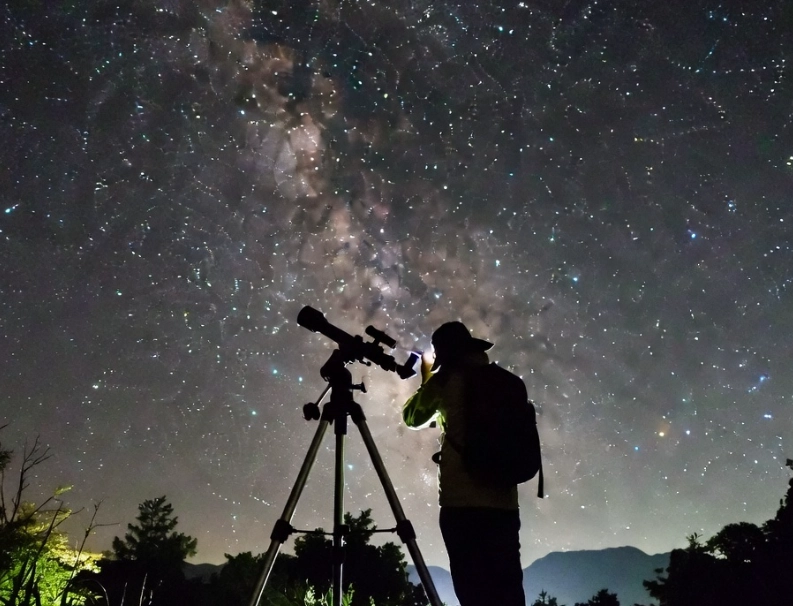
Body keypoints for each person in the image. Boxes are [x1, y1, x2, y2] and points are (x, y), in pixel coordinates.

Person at [403, 322, 525, 606]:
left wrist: (426, 379)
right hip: (504, 504)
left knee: (473, 592)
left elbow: (412, 417)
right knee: (508, 591)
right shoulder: (507, 382)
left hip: (463, 507)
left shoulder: (446, 380)